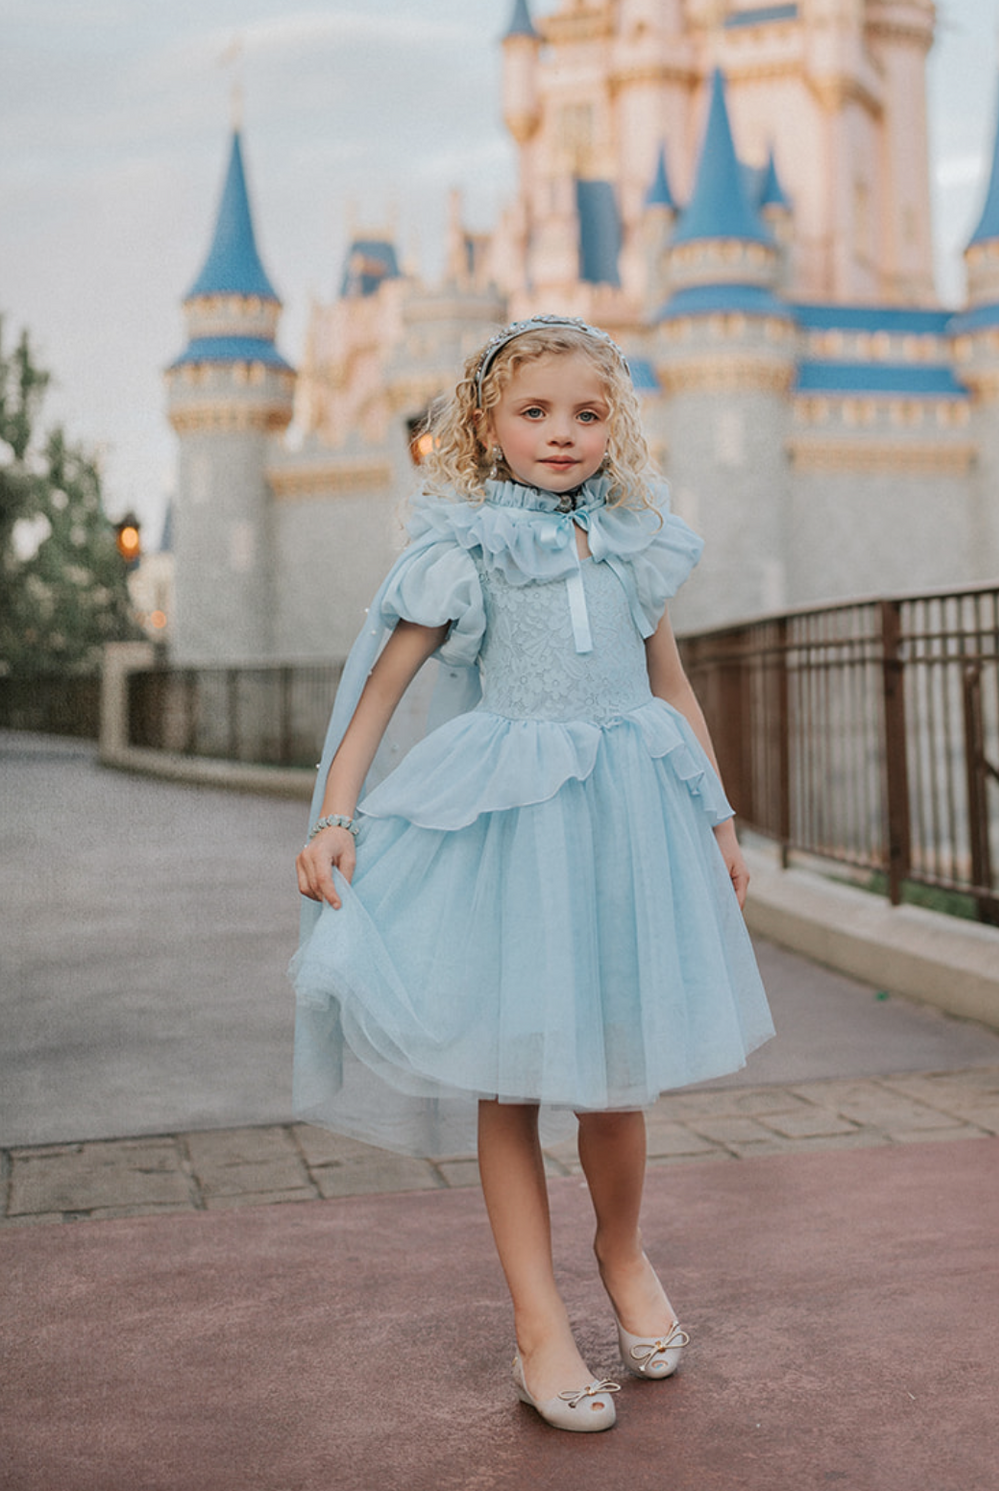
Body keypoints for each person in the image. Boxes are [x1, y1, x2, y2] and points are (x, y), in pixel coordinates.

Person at [289, 314, 774, 1433]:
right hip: (511, 827)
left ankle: (622, 1245)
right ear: (486, 424)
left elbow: (672, 689)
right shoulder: (465, 549)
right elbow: (379, 689)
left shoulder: (636, 541)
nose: (562, 434)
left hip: (626, 823)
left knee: (615, 1070)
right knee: (506, 1082)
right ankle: (535, 1320)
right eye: (535, 411)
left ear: (617, 424)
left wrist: (717, 819)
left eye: (587, 413)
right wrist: (333, 814)